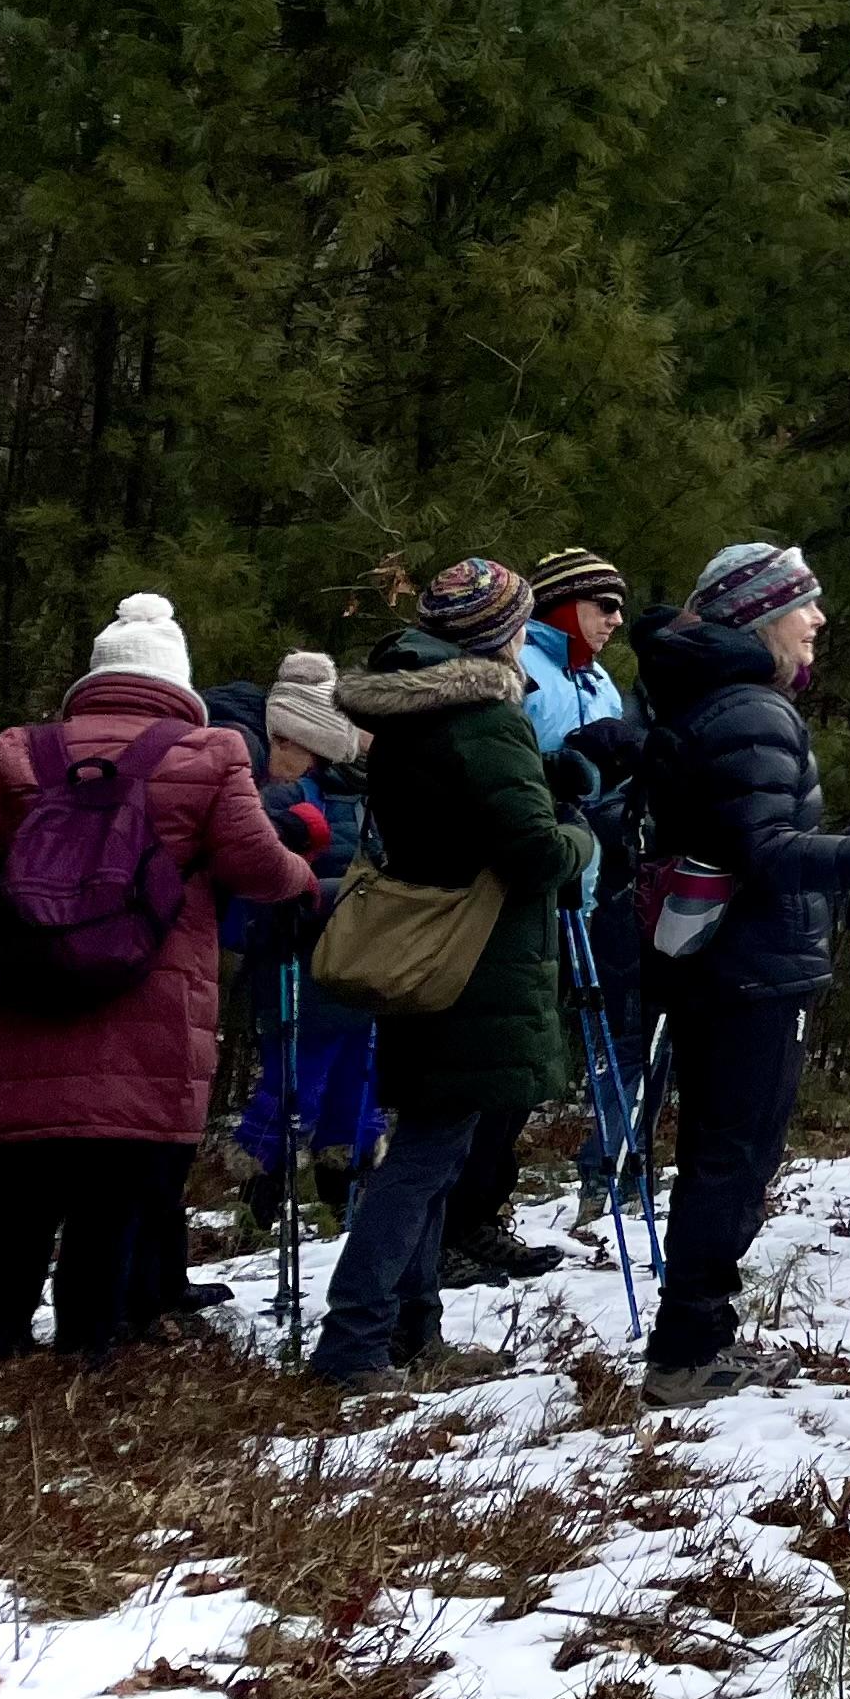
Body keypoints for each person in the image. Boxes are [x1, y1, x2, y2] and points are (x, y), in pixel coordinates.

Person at [634, 543, 850, 1407]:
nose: (818, 620)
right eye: (802, 604)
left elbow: (747, 831)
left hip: (723, 963)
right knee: (733, 1159)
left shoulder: (710, 698)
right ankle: (689, 1352)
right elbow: (769, 854)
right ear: (756, 616)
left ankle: (696, 1342)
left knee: (721, 1152)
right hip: (751, 969)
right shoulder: (750, 708)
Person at [0, 594, 314, 1360]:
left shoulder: (22, 750)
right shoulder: (210, 754)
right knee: (112, 1194)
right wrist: (302, 875)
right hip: (146, 999)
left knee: (21, 1193)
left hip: (28, 994)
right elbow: (255, 866)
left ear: (96, 676)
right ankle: (87, 1349)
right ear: (175, 682)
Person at [308, 559, 594, 1389]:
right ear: (503, 633)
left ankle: (411, 1329)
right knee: (428, 1155)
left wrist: (545, 779)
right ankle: (354, 1344)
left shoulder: (414, 712)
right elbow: (534, 852)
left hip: (422, 951)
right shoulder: (483, 717)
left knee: (433, 1144)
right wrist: (580, 834)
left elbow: (458, 809)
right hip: (475, 959)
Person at [518, 547, 653, 1232]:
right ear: (566, 604)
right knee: (526, 1036)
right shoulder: (523, 667)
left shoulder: (601, 679)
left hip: (597, 876)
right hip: (528, 877)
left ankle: (611, 1167)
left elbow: (605, 777)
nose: (616, 620)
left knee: (608, 1027)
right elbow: (510, 767)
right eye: (605, 605)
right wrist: (573, 766)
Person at [223, 651, 381, 1234]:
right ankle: (259, 1191)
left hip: (353, 962)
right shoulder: (287, 798)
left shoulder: (358, 797)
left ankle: (348, 1186)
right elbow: (257, 881)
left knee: (356, 1077)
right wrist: (339, 893)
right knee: (296, 1080)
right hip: (294, 962)